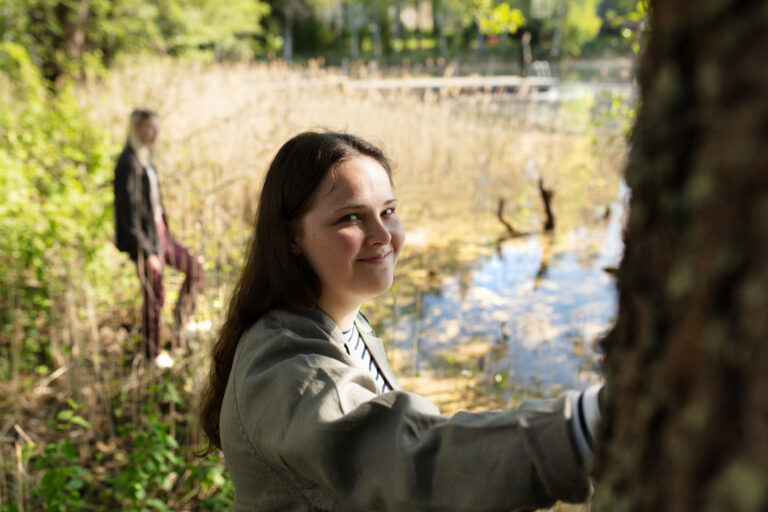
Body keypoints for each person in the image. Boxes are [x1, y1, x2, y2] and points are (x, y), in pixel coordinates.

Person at [199, 132, 603, 511]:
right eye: (350, 218)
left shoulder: (348, 326)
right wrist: (583, 428)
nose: (382, 234)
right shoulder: (286, 368)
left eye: (388, 211)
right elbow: (410, 462)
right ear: (291, 238)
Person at [114, 108, 204, 367]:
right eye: (150, 128)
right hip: (145, 240)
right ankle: (152, 353)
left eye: (157, 128)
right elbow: (128, 213)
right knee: (155, 295)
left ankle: (180, 325)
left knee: (195, 270)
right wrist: (147, 251)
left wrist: (166, 233)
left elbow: (153, 206)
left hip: (160, 234)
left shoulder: (145, 159)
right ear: (137, 129)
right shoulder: (128, 163)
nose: (156, 133)